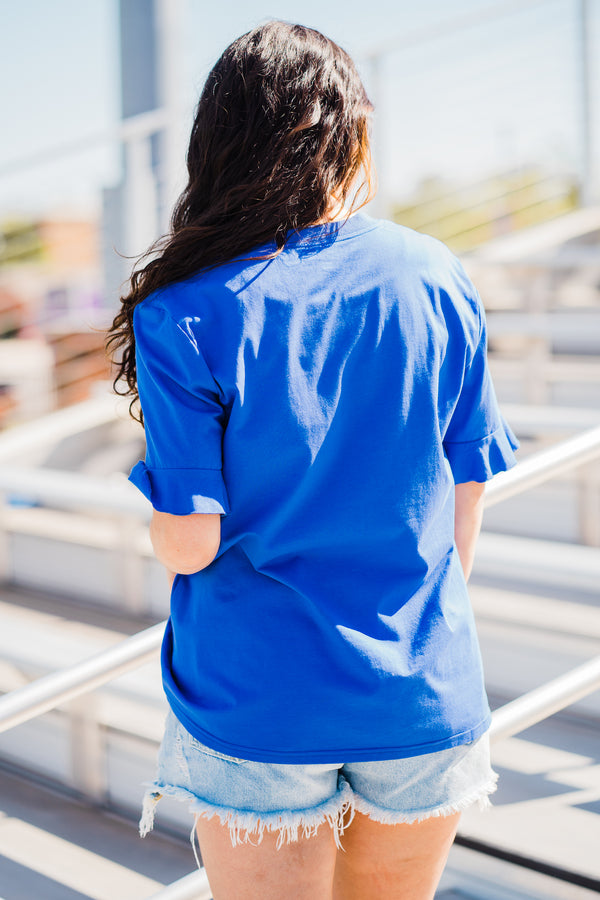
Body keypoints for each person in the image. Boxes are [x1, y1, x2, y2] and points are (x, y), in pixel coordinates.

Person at [107, 20, 518, 900]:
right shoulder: (437, 273)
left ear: (218, 145)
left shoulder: (184, 309)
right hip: (421, 687)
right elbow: (468, 488)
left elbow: (190, 545)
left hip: (260, 695)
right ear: (348, 134)